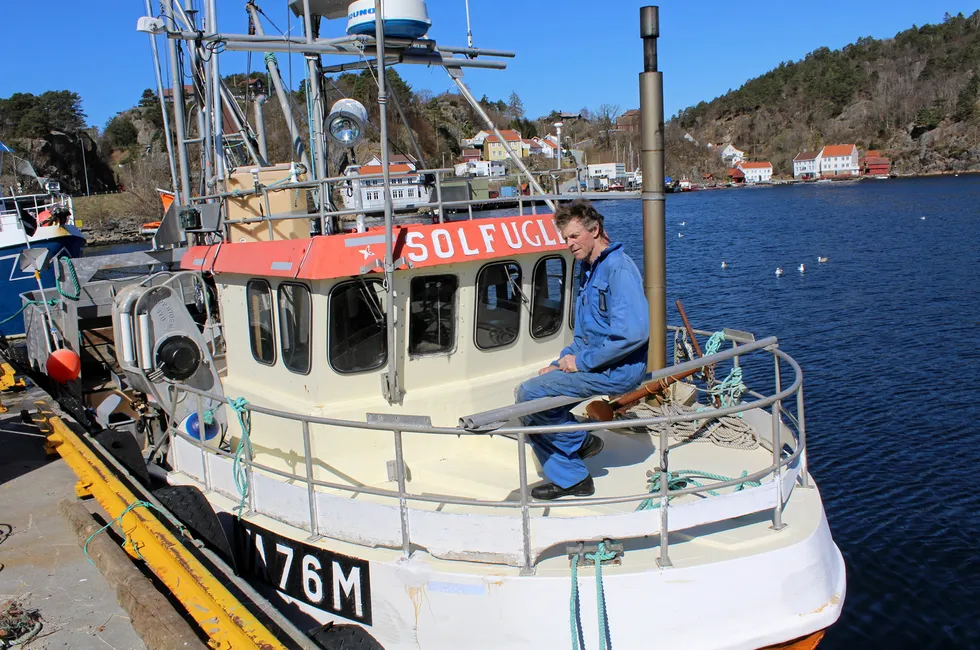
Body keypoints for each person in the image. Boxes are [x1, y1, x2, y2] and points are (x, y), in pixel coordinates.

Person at [516, 200, 649, 500]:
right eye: (565, 238)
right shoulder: (590, 271)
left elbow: (634, 335)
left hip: (618, 371)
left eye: (574, 236)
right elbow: (586, 334)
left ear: (595, 229)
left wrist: (582, 363)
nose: (569, 244)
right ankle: (579, 441)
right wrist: (559, 362)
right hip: (599, 365)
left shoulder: (618, 270)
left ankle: (574, 474)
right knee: (538, 390)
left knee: (528, 396)